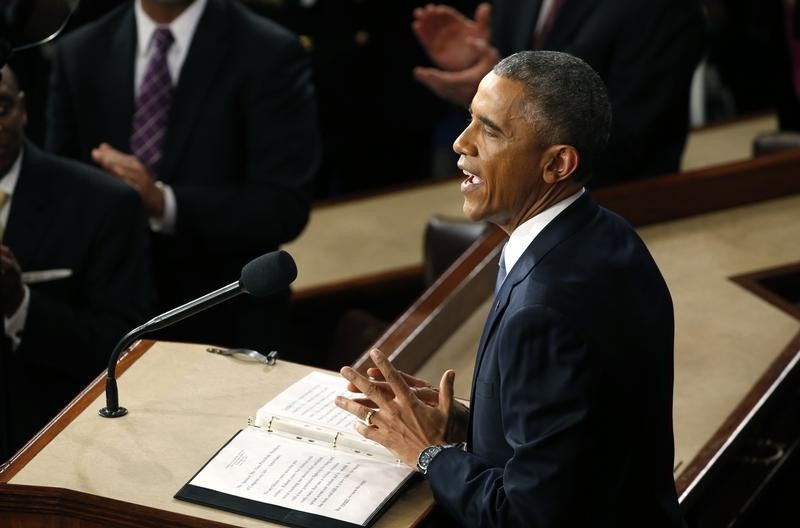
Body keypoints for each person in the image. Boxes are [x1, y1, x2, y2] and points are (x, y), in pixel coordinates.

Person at [336, 51, 684, 526]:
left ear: (557, 163)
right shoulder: (605, 232)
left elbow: (526, 516)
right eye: (469, 120)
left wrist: (428, 452)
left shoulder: (544, 309)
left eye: (490, 130)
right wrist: (466, 423)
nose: (462, 144)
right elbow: (585, 432)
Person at [45, 0, 321, 351]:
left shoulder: (268, 50)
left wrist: (164, 203)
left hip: (227, 321)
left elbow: (283, 206)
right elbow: (58, 194)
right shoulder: (79, 52)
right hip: (107, 327)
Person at [0, 65, 151, 461]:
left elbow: (124, 348)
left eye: (0, 107)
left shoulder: (102, 205)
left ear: (23, 108)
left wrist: (20, 306)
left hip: (45, 445)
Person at [411, 0, 707, 186]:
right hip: (512, 212)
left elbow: (626, 142)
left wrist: (508, 99)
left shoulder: (663, 7)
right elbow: (513, 73)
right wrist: (483, 74)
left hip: (615, 216)